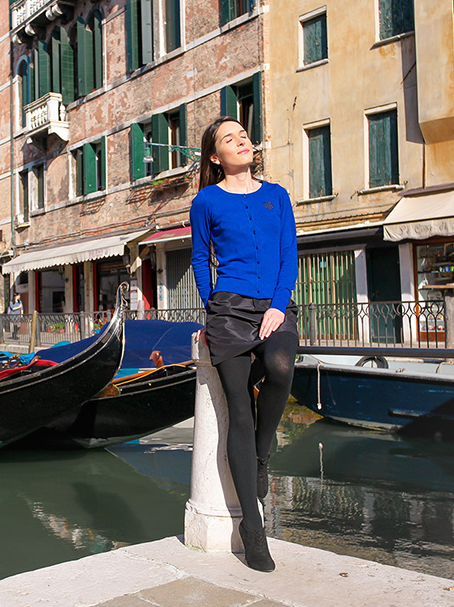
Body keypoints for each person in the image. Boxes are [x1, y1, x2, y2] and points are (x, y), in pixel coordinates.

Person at [190, 116, 300, 573]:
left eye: (244, 135)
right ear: (216, 157)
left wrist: (279, 305)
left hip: (274, 306)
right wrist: (211, 307)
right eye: (231, 139)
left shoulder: (277, 196)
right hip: (228, 310)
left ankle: (262, 453)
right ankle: (253, 532)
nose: (243, 141)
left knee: (279, 368)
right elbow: (200, 257)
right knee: (237, 407)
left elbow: (289, 253)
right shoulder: (206, 200)